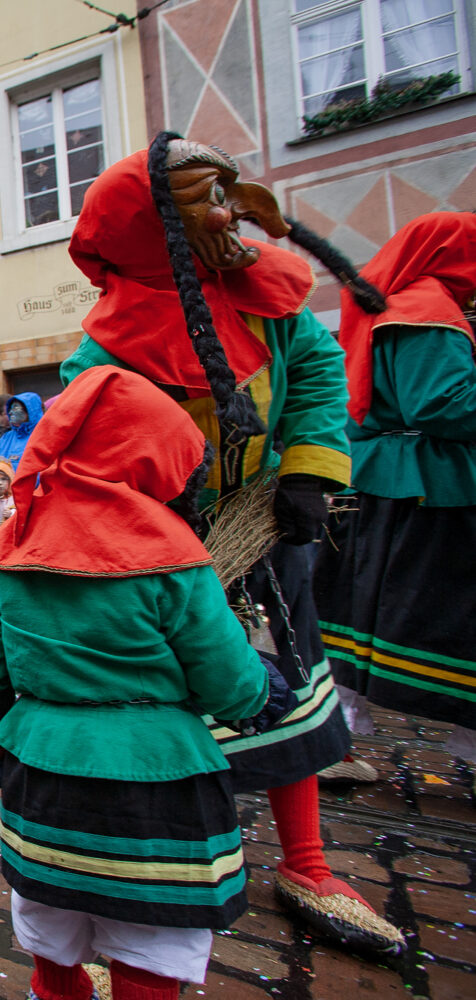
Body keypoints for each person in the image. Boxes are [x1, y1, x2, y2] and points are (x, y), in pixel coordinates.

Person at [58, 133, 402, 956]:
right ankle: (149, 876)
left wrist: (311, 471)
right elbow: (88, 446)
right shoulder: (105, 346)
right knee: (165, 723)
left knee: (287, 690)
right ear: (153, 228)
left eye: (226, 191)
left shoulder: (260, 297)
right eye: (206, 199)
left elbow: (318, 371)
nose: (230, 212)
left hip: (268, 534)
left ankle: (307, 864)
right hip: (165, 563)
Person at [0, 365, 282, 1000]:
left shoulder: (14, 540)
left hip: (43, 777)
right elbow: (232, 685)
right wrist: (268, 693)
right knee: (150, 952)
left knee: (50, 943)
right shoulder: (175, 549)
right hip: (159, 785)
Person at [314, 212, 476, 759]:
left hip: (386, 481)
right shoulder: (427, 310)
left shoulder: (396, 306)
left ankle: (337, 741)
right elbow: (440, 403)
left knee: (364, 610)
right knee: (429, 612)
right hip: (424, 489)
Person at [0, 393, 44, 481]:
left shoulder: (44, 436)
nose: (10, 412)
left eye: (16, 408)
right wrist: (0, 486)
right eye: (10, 408)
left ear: (30, 411)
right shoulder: (6, 438)